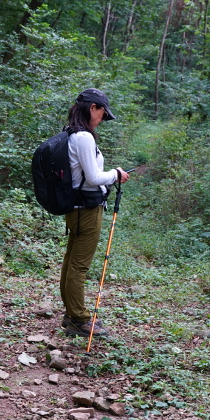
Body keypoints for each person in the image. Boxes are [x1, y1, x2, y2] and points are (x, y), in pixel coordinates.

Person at [60, 88, 129, 338]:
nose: (102, 119)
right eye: (102, 113)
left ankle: (71, 314)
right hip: (86, 210)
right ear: (92, 108)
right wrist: (116, 174)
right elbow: (93, 177)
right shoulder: (84, 137)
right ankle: (78, 319)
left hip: (76, 208)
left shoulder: (71, 133)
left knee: (71, 261)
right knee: (79, 266)